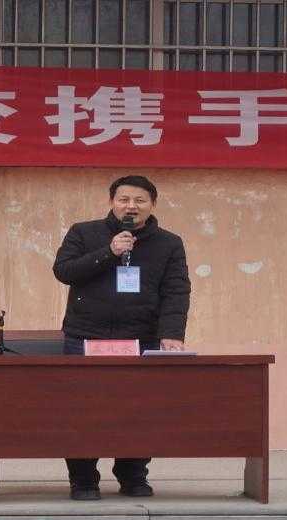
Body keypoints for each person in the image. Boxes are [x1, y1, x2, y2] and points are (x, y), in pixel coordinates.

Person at [52, 175, 192, 501]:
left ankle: (132, 475)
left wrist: (171, 334)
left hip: (140, 339)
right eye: (124, 199)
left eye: (140, 200)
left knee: (138, 410)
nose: (132, 206)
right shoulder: (83, 233)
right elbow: (64, 271)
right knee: (83, 410)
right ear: (112, 202)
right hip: (85, 336)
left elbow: (176, 291)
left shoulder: (169, 244)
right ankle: (83, 479)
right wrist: (109, 251)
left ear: (152, 205)